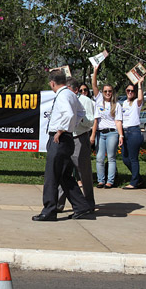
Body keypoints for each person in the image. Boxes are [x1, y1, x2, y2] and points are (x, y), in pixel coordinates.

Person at [33, 70, 93, 221]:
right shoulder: (71, 94)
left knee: (52, 176)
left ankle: (49, 210)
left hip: (59, 139)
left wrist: (61, 130)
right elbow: (81, 112)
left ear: (52, 82)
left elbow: (70, 114)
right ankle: (81, 206)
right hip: (67, 140)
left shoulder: (62, 96)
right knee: (64, 176)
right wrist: (72, 126)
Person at [57, 78, 95, 210]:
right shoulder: (63, 100)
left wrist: (79, 116)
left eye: (68, 90)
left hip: (79, 138)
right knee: (63, 171)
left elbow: (90, 121)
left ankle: (89, 203)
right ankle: (58, 203)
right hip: (66, 137)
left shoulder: (85, 101)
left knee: (83, 172)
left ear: (76, 90)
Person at [91, 68, 123, 189]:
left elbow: (118, 121)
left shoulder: (117, 105)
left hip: (112, 133)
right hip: (100, 133)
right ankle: (100, 180)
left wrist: (121, 135)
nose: (108, 93)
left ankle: (110, 181)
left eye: (110, 91)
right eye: (105, 91)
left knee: (111, 157)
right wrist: (95, 70)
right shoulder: (99, 100)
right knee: (99, 157)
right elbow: (94, 85)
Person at [120, 80, 144, 189]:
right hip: (124, 132)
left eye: (132, 91)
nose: (130, 92)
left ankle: (134, 182)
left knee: (133, 158)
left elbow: (140, 98)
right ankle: (138, 178)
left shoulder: (136, 103)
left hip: (134, 131)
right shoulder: (124, 103)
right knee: (125, 158)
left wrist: (139, 85)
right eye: (128, 90)